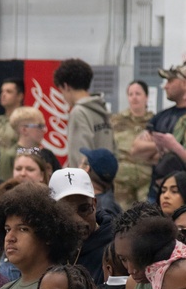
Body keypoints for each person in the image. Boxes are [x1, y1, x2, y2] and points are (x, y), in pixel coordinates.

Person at [49, 167, 113, 283]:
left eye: (84, 209)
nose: (77, 220)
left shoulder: (115, 246)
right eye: (66, 212)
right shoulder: (46, 247)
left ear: (94, 204)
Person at [53, 58, 115, 167]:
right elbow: (114, 149)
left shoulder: (79, 112)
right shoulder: (102, 109)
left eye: (61, 91)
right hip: (106, 179)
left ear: (66, 86)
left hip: (88, 180)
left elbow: (80, 155)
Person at [112, 80, 154, 209]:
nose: (134, 97)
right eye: (130, 94)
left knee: (146, 217)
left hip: (146, 180)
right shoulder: (116, 120)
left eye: (138, 93)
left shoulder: (154, 121)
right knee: (122, 220)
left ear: (146, 97)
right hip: (121, 182)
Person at [0, 107, 46, 180]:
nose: (44, 130)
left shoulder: (44, 154)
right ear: (24, 130)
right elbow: (4, 186)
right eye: (40, 126)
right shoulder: (10, 155)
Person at [0, 79, 24, 159]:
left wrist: (11, 153)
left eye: (9, 92)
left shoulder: (25, 120)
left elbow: (33, 149)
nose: (3, 95)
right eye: (2, 91)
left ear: (20, 96)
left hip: (17, 168)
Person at [79, 148, 120, 215]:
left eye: (82, 164)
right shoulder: (108, 204)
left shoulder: (99, 210)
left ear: (87, 169)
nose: (78, 167)